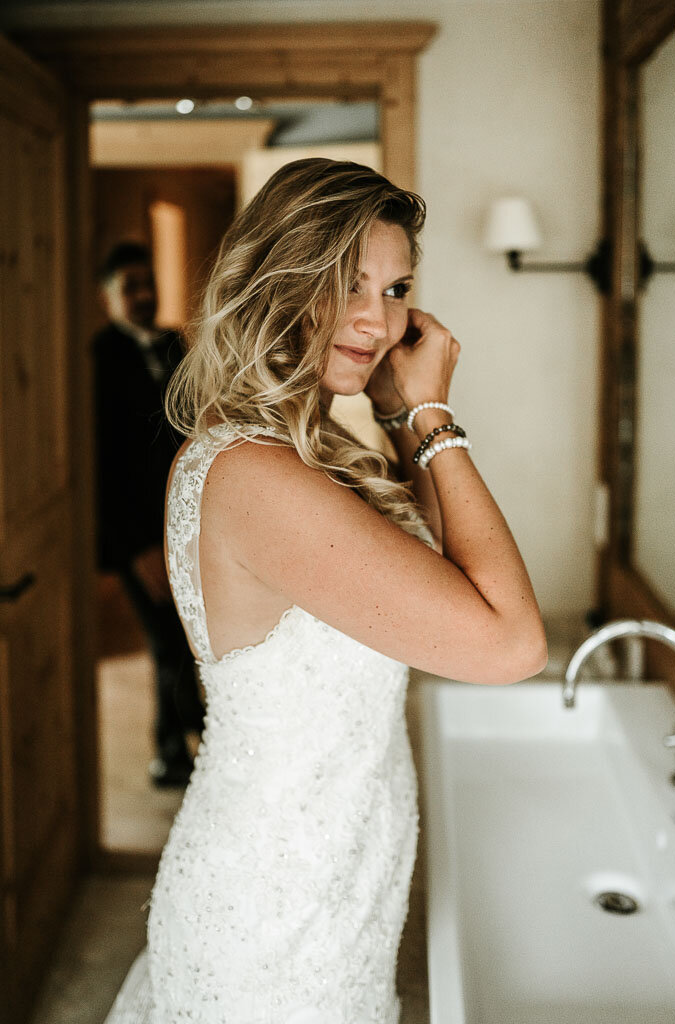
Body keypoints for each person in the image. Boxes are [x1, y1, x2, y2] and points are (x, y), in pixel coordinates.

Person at [103, 159, 547, 1023]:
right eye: (347, 282)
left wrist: (392, 414)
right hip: (275, 917)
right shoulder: (259, 478)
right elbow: (511, 645)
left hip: (334, 876)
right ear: (277, 277)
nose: (377, 321)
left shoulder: (296, 454)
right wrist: (432, 418)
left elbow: (438, 578)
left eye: (395, 289)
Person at [94, 242, 205, 788]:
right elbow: (103, 466)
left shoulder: (173, 344)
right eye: (129, 286)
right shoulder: (97, 357)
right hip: (135, 532)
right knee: (165, 641)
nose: (142, 295)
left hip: (183, 518)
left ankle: (196, 730)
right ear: (108, 295)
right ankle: (173, 751)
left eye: (147, 283)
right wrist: (138, 548)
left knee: (188, 636)